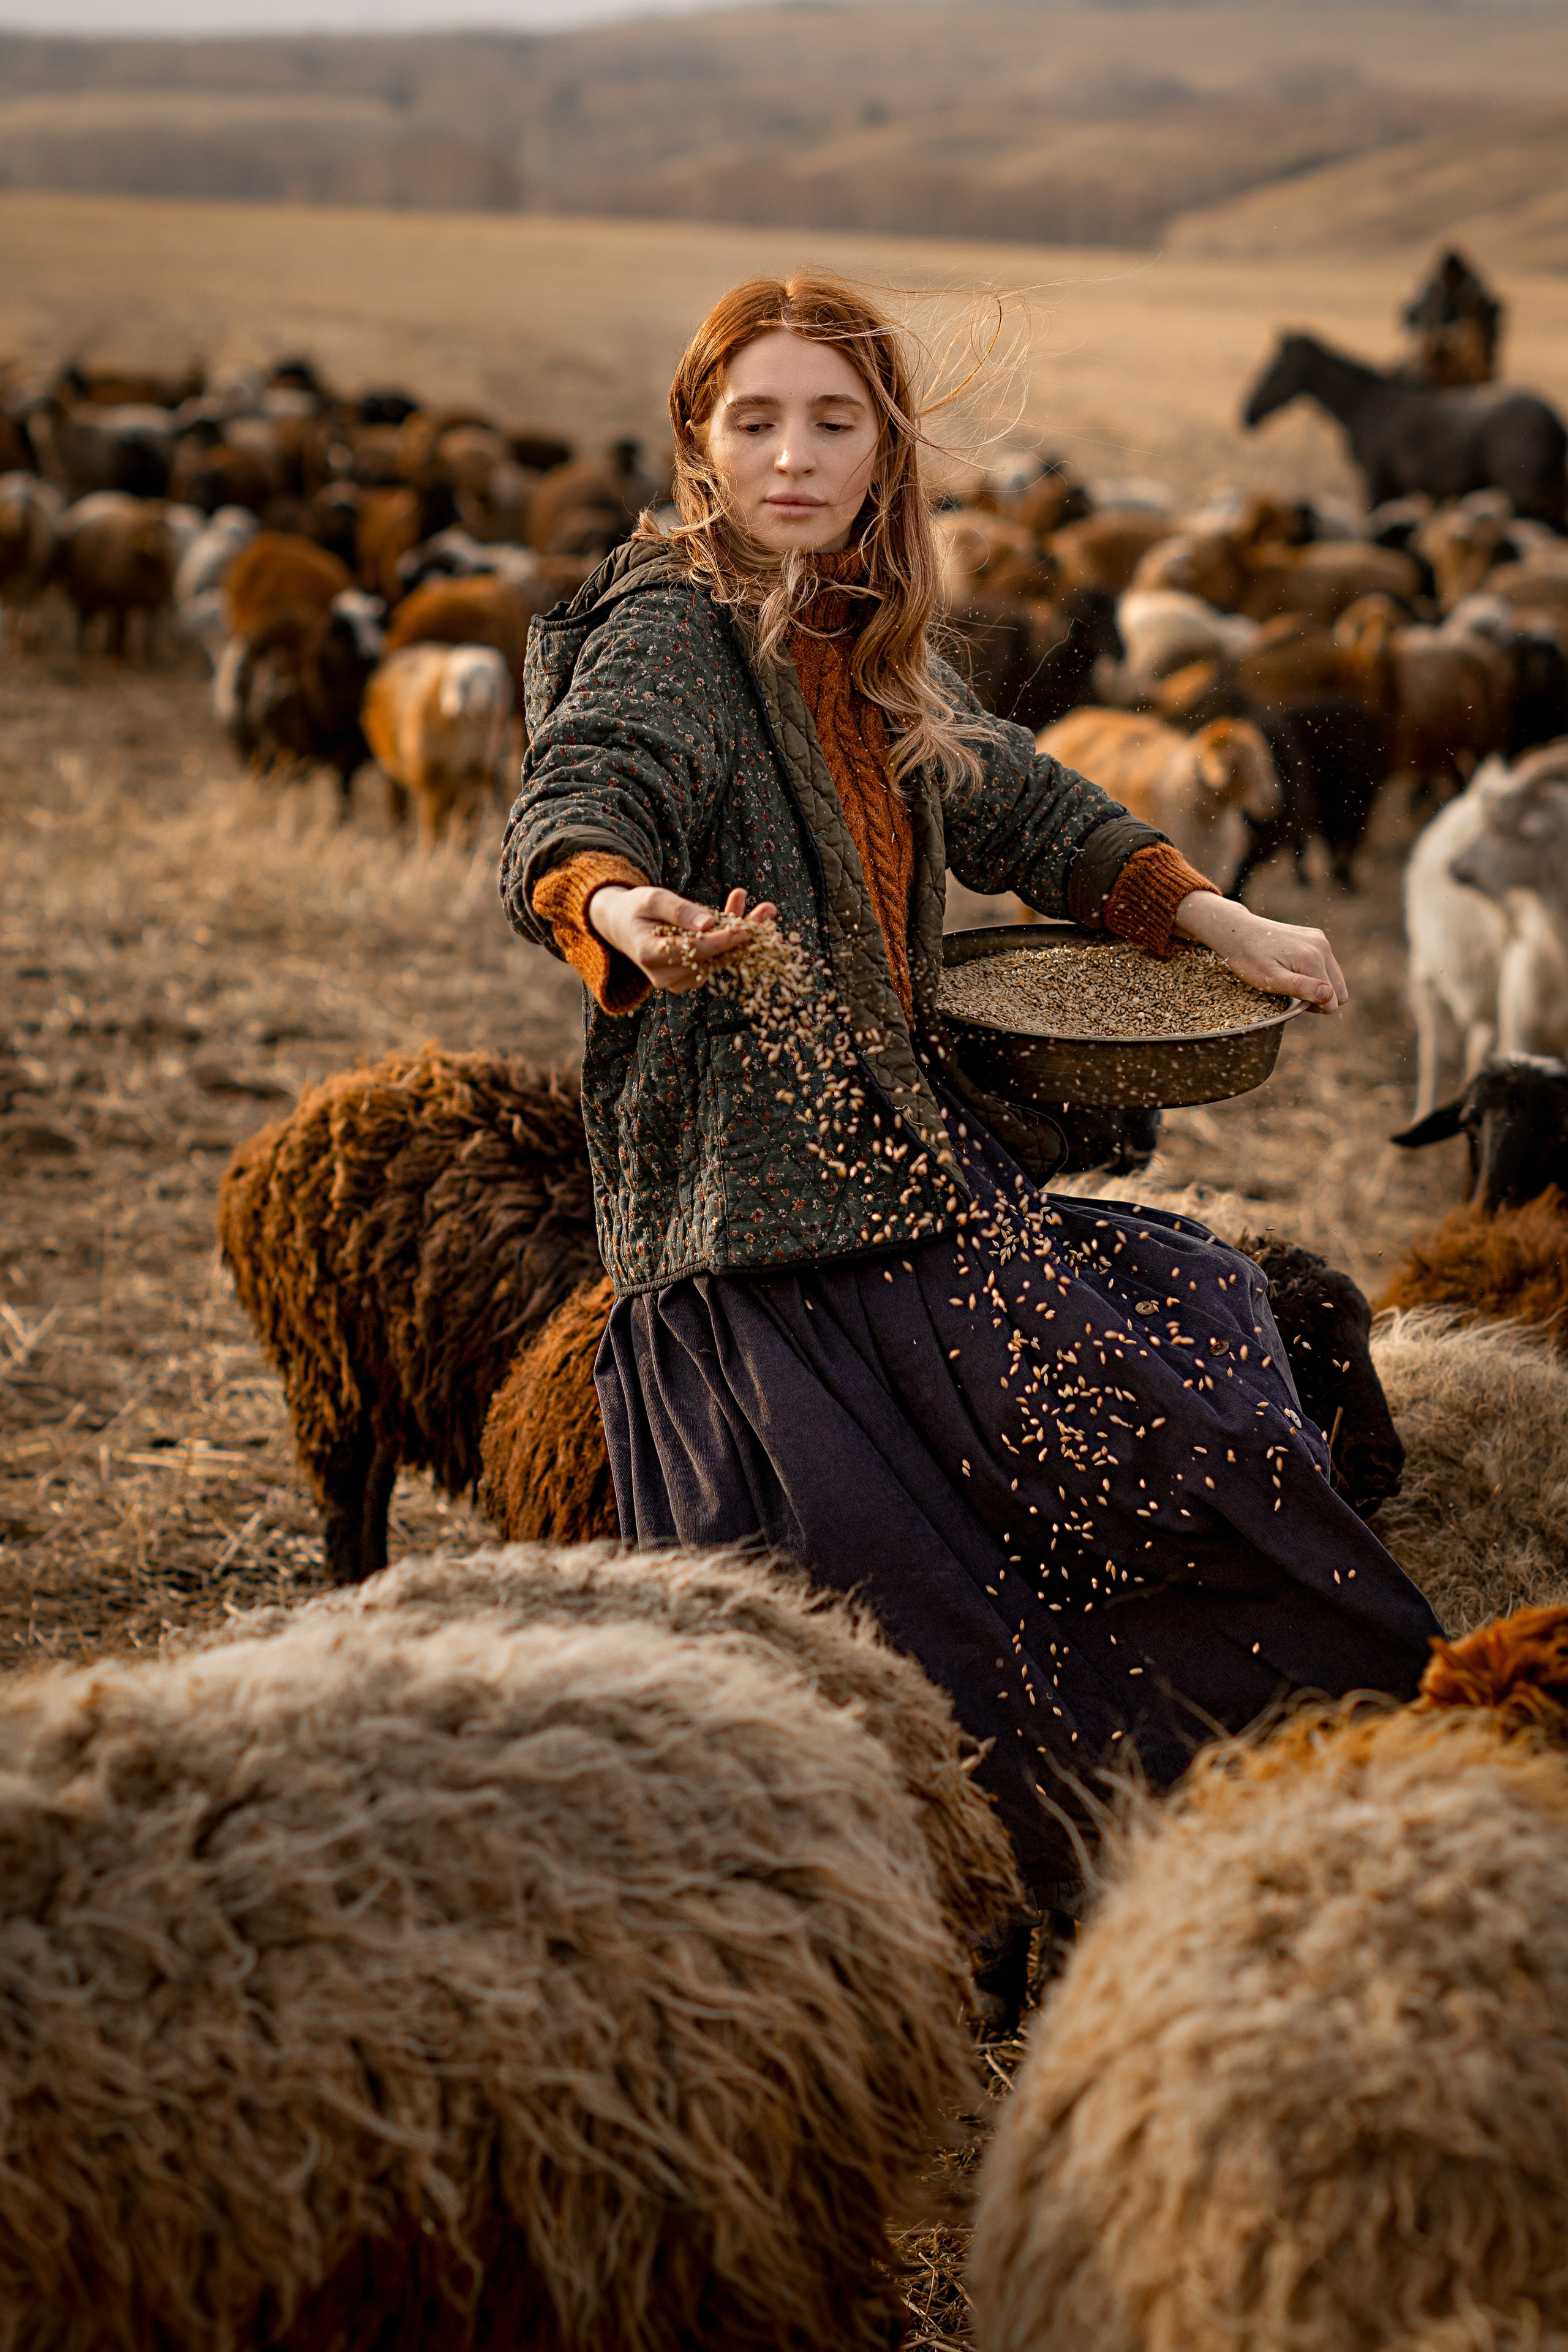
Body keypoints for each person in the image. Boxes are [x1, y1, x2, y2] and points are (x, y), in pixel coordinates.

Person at [500, 274, 1441, 1922]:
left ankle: (1273, 1818)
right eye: (755, 419)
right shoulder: (670, 628)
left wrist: (1210, 912)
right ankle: (1035, 1900)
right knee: (912, 1638)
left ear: (884, 451)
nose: (793, 455)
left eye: (834, 419)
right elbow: (585, 789)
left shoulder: (857, 639)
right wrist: (620, 905)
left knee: (1210, 1336)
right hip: (760, 1256)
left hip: (912, 1193)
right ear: (700, 445)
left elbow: (1014, 795)